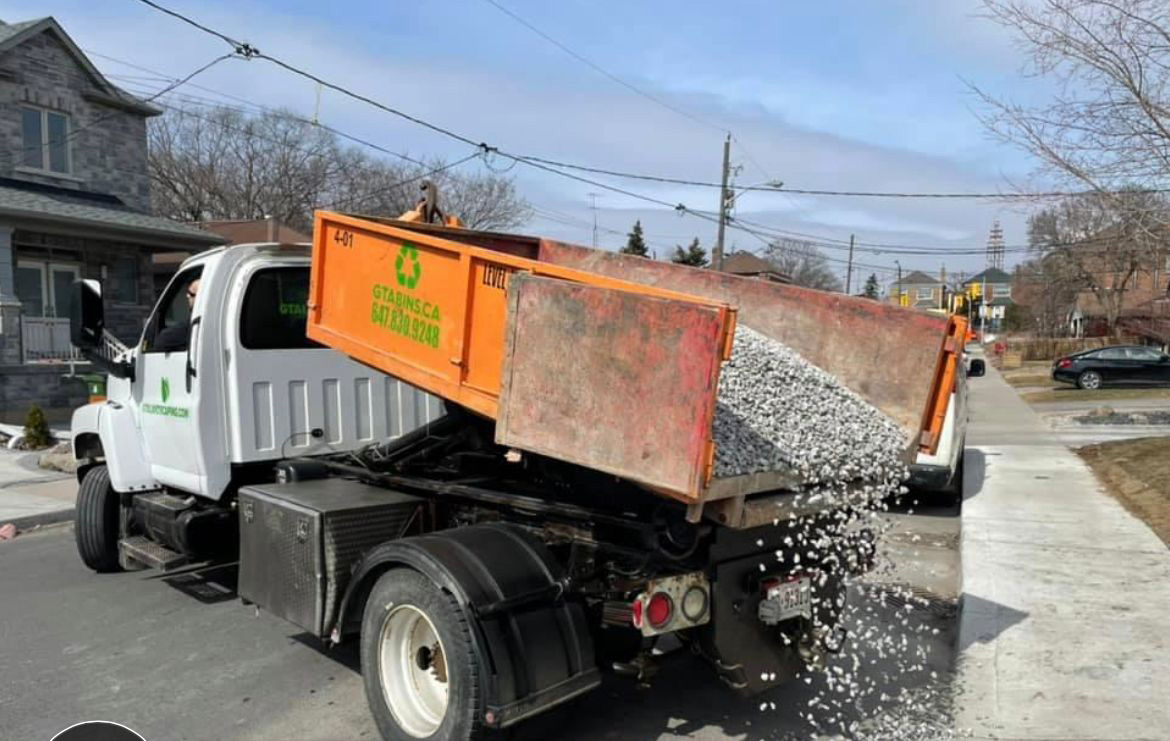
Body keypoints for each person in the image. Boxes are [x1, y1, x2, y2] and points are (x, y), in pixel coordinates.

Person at [153, 277, 199, 352]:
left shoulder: (197, 320)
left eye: (191, 293)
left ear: (199, 296)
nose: (187, 296)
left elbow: (162, 341)